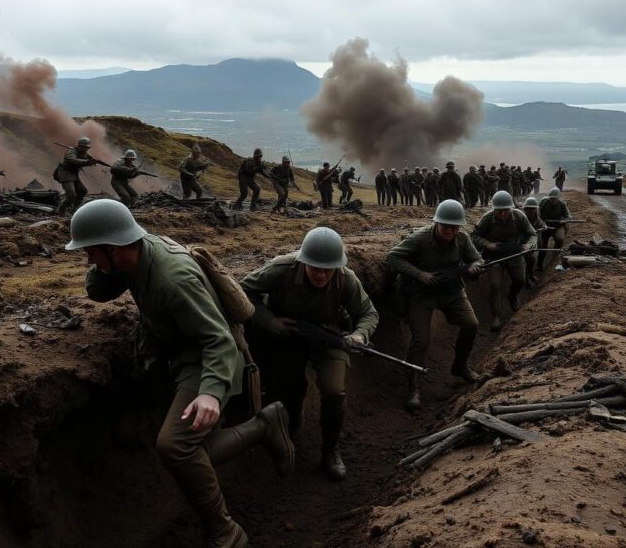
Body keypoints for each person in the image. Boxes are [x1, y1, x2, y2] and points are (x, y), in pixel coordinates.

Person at [65, 199, 294, 548]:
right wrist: (105, 264)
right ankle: (265, 425)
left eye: (90, 253)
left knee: (175, 446)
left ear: (112, 248)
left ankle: (226, 531)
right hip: (184, 349)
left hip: (211, 357)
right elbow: (97, 292)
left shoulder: (174, 279)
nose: (87, 260)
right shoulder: (134, 255)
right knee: (200, 446)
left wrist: (211, 393)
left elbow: (218, 340)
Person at [240, 228, 378, 481]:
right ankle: (291, 429)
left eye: (328, 269)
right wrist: (268, 321)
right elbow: (241, 291)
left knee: (334, 390)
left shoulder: (345, 278)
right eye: (315, 268)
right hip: (290, 339)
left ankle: (330, 450)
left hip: (330, 340)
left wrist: (359, 336)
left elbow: (368, 313)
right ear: (303, 261)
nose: (322, 274)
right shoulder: (281, 269)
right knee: (287, 387)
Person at [385, 200, 483, 410]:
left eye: (455, 226)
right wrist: (419, 274)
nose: (450, 230)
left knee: (471, 324)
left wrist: (474, 267)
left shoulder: (463, 239)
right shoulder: (420, 238)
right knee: (421, 340)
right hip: (422, 294)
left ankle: (460, 366)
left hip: (451, 291)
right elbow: (392, 258)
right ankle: (414, 387)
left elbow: (477, 259)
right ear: (437, 223)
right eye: (445, 225)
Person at [471, 190, 536, 332]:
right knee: (495, 285)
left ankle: (512, 297)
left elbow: (532, 234)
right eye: (498, 211)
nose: (502, 214)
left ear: (510, 208)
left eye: (505, 210)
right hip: (494, 256)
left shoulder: (519, 216)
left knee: (520, 280)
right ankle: (496, 316)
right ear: (494, 209)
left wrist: (528, 245)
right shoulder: (486, 219)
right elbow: (475, 236)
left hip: (514, 254)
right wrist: (488, 244)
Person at [55, 136, 99, 216]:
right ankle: (61, 210)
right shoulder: (71, 152)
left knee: (82, 191)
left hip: (74, 174)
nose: (86, 149)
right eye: (85, 147)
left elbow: (89, 159)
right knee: (71, 194)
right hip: (65, 173)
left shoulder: (84, 154)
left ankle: (74, 208)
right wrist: (87, 162)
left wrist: (93, 161)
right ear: (80, 146)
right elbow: (72, 160)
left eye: (87, 147)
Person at [538, 187, 571, 270]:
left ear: (558, 198)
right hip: (546, 227)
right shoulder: (544, 202)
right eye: (551, 198)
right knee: (542, 246)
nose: (552, 200)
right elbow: (538, 215)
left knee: (560, 240)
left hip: (557, 226)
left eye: (554, 199)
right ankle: (539, 264)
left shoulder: (562, 204)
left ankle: (554, 260)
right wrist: (542, 223)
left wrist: (564, 220)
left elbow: (568, 216)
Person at [521, 197, 547, 287]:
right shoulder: (522, 218)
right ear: (525, 209)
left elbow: (542, 223)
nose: (531, 211)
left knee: (534, 256)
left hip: (532, 242)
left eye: (533, 209)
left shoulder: (536, 218)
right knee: (528, 259)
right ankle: (526, 278)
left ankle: (531, 274)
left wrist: (543, 227)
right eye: (528, 209)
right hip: (522, 242)